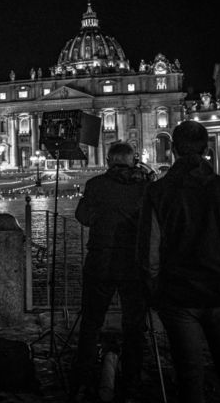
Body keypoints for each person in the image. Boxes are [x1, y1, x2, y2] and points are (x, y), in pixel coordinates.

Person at [137, 121, 220, 403]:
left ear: (173, 150)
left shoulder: (157, 192)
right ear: (206, 149)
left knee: (189, 376)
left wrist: (154, 294)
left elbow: (148, 255)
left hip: (178, 297)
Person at [69, 142, 151, 402]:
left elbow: (82, 216)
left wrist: (102, 218)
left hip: (100, 263)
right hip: (134, 264)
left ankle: (83, 376)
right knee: (134, 324)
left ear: (107, 160)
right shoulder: (145, 187)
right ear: (133, 160)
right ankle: (132, 378)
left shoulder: (95, 185)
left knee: (91, 322)